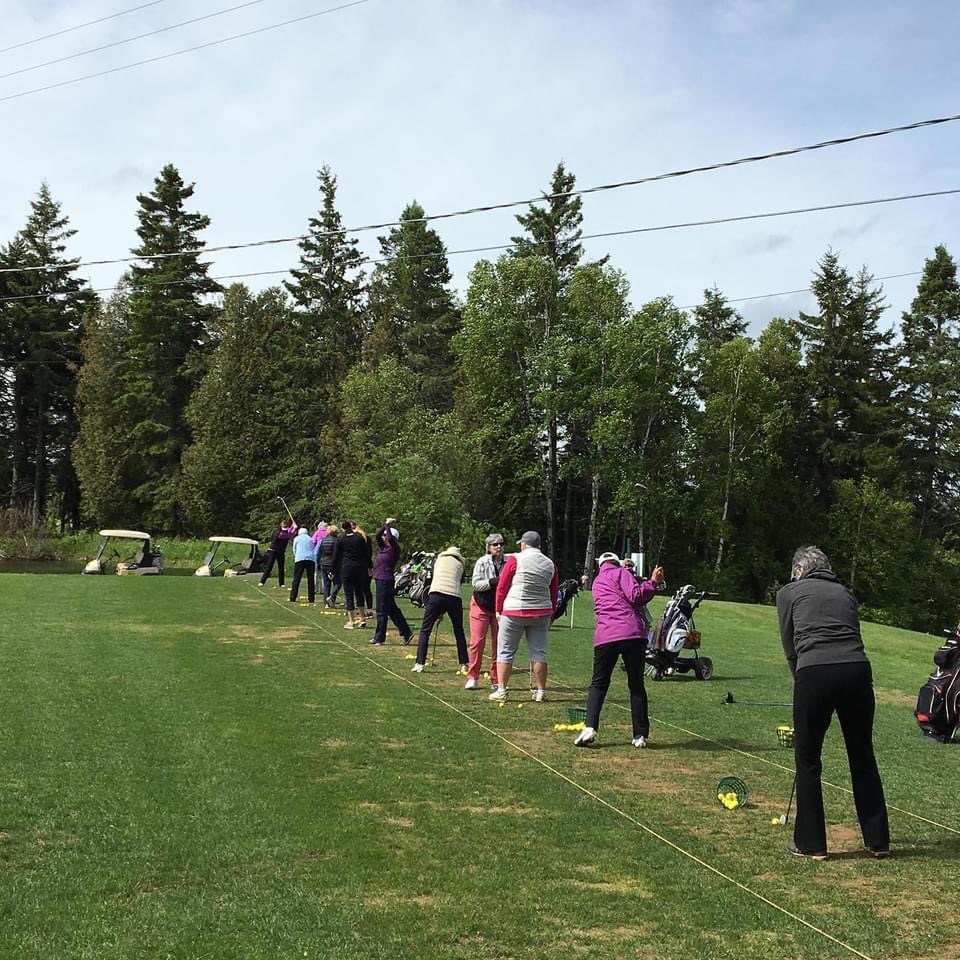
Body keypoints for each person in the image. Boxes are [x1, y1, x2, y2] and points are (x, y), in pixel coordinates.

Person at [776, 545, 890, 861]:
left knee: (808, 758)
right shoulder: (846, 593)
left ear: (799, 570)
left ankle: (811, 843)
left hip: (814, 671)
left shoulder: (788, 593)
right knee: (862, 754)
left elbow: (789, 645)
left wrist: (800, 678)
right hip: (857, 670)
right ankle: (878, 840)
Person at [574, 552, 664, 748]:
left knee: (598, 684)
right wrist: (652, 582)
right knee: (636, 685)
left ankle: (590, 727)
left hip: (605, 635)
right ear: (617, 563)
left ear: (600, 565)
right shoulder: (622, 573)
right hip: (632, 634)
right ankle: (640, 735)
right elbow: (636, 596)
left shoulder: (597, 582)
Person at [490, 531, 558, 703]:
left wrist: (498, 610)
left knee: (505, 651)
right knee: (539, 652)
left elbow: (502, 587)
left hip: (515, 610)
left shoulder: (515, 559)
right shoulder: (550, 564)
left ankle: (502, 689)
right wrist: (551, 613)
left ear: (524, 544)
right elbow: (553, 592)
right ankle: (541, 691)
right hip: (542, 612)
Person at [412, 547, 469, 673]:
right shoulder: (460, 564)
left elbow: (433, 578)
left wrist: (439, 613)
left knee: (425, 630)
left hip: (436, 595)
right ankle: (464, 663)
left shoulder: (438, 560)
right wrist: (442, 612)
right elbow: (460, 581)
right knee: (458, 631)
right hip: (454, 597)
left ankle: (419, 663)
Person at [465, 533, 506, 690]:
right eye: (495, 544)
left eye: (501, 544)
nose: (499, 547)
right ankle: (472, 676)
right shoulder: (482, 562)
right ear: (489, 547)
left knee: (499, 643)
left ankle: (496, 679)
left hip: (499, 607)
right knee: (477, 642)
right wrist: (491, 582)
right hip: (480, 605)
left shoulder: (509, 561)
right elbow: (476, 584)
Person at [370, 523, 412, 646]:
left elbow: (391, 540)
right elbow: (377, 535)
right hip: (380, 580)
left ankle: (379, 637)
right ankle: (406, 632)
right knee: (392, 610)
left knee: (382, 609)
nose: (383, 537)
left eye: (386, 535)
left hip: (385, 581)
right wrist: (385, 525)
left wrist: (388, 526)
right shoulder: (383, 548)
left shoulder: (394, 549)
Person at [333, 521, 373, 629]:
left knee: (349, 594)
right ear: (351, 527)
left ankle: (351, 621)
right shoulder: (359, 537)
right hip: (360, 568)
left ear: (342, 528)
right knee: (359, 592)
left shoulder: (340, 538)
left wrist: (332, 570)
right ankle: (362, 618)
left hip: (347, 567)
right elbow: (366, 553)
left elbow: (336, 556)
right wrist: (370, 566)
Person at [258, 517, 298, 588]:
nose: (284, 525)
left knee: (281, 567)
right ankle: (262, 581)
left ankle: (281, 583)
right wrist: (293, 528)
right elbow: (286, 535)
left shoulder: (286, 532)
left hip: (281, 552)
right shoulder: (278, 532)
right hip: (272, 551)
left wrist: (293, 527)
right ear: (281, 525)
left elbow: (289, 533)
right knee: (269, 566)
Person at [289, 527, 316, 604]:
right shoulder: (310, 539)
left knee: (296, 579)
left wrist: (297, 556)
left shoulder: (297, 539)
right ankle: (311, 598)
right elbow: (313, 548)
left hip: (300, 559)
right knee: (310, 579)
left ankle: (293, 597)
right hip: (311, 559)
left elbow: (294, 549)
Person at [317, 524, 341, 609]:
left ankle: (326, 603)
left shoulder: (323, 540)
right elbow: (337, 554)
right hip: (334, 564)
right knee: (338, 583)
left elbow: (319, 552)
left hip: (324, 563)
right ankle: (332, 597)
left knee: (326, 584)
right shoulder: (337, 541)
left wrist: (318, 562)